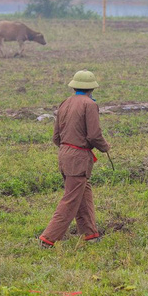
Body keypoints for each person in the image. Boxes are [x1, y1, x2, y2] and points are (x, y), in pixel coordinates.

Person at [39, 70, 110, 248]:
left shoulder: (65, 103)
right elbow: (94, 135)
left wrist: (68, 148)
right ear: (92, 88)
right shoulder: (90, 105)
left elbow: (56, 136)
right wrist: (105, 147)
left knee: (83, 194)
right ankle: (47, 239)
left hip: (64, 154)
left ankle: (91, 235)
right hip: (78, 158)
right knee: (71, 199)